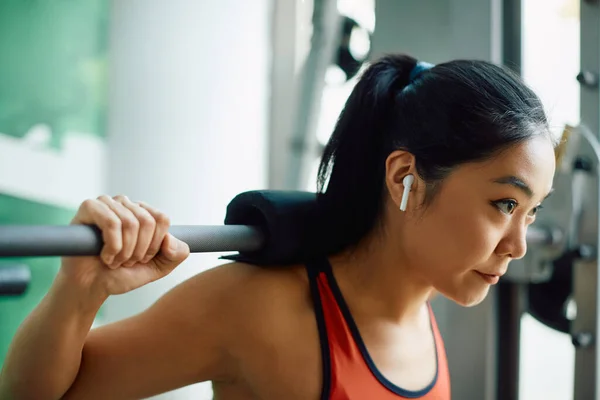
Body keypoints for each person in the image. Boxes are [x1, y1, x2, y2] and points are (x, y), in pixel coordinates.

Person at [0, 53, 557, 400]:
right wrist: (80, 290)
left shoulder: (423, 307)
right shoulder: (257, 308)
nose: (517, 245)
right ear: (405, 176)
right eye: (505, 205)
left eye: (531, 213)